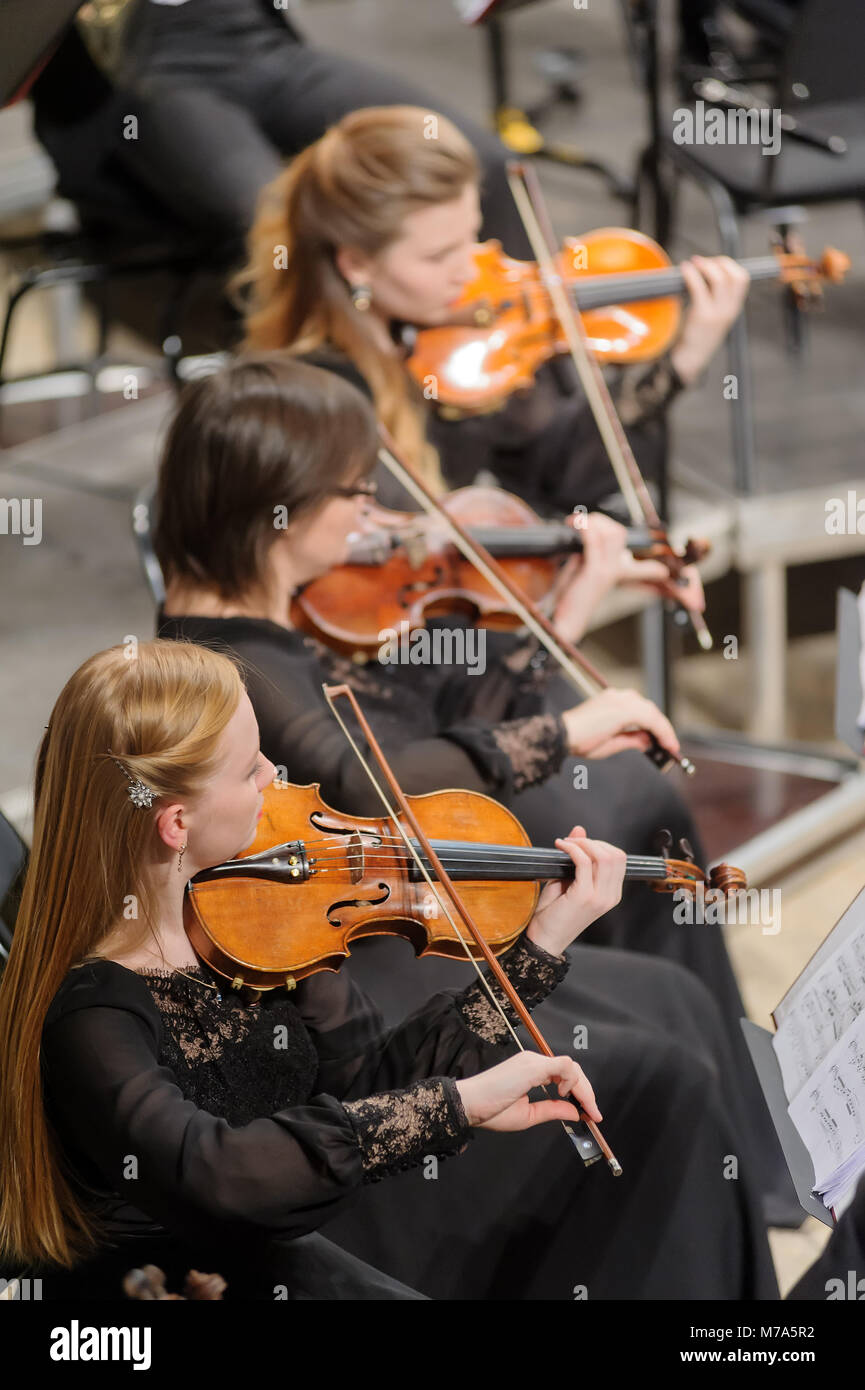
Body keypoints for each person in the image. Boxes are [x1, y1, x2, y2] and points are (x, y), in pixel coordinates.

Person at [149, 351, 798, 1237]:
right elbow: (366, 780)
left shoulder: (266, 616)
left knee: (677, 1004)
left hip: (362, 925)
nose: (376, 516)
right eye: (354, 492)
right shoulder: (230, 665)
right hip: (352, 975)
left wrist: (555, 608)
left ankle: (751, 1207)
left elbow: (406, 708)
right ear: (278, 511)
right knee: (662, 1068)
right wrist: (559, 731)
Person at [0, 639, 777, 1301]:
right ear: (175, 824)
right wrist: (451, 1109)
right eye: (249, 769)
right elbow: (219, 1173)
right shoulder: (92, 1013)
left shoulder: (254, 918)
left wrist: (543, 938)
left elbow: (369, 1079)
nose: (276, 774)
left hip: (312, 1233)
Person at [234, 104, 751, 521]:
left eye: (472, 236)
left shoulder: (478, 339)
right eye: (438, 256)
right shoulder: (316, 401)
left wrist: (683, 359)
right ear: (357, 265)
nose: (469, 270)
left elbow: (565, 477)